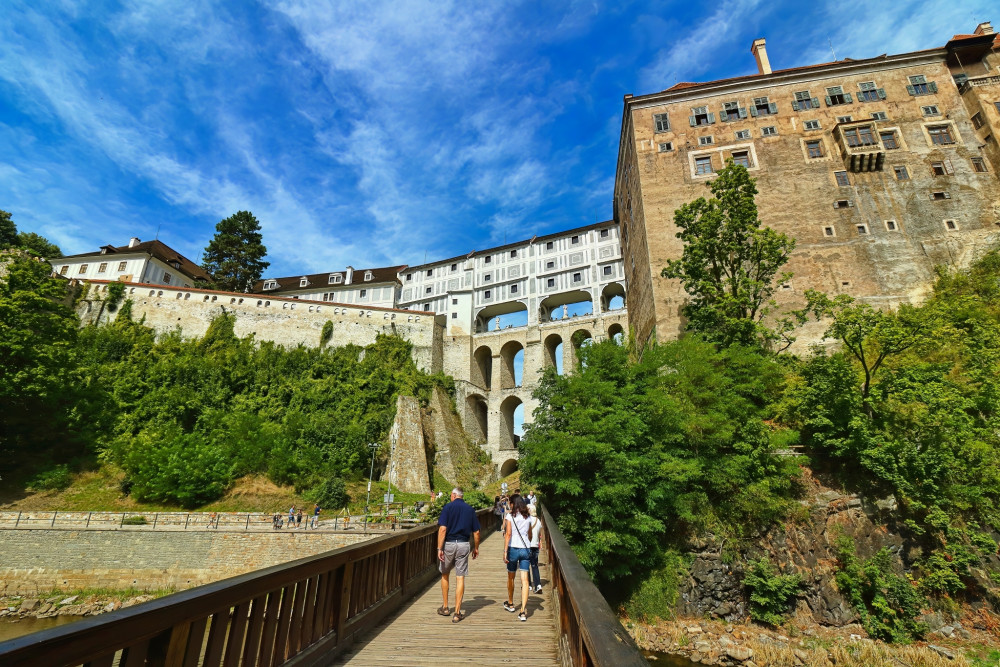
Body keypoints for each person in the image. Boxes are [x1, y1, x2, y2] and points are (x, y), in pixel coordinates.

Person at [436, 487, 481, 624]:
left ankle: (445, 607)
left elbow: (443, 529)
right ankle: (457, 612)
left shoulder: (448, 508)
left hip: (449, 544)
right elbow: (477, 532)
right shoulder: (470, 509)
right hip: (463, 544)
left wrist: (439, 548)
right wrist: (476, 547)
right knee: (460, 577)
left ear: (454, 495)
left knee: (445, 573)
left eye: (451, 495)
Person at [503, 496, 537, 622]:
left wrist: (505, 551)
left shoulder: (510, 516)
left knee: (511, 576)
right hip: (525, 549)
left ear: (512, 504)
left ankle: (511, 604)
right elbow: (530, 534)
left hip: (513, 548)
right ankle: (523, 611)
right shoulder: (528, 517)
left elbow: (508, 534)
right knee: (525, 580)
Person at [526, 504, 543, 593]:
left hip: (527, 545)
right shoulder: (538, 520)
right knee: (535, 565)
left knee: (526, 566)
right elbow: (540, 533)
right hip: (535, 546)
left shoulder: (526, 520)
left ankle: (528, 585)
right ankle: (538, 585)